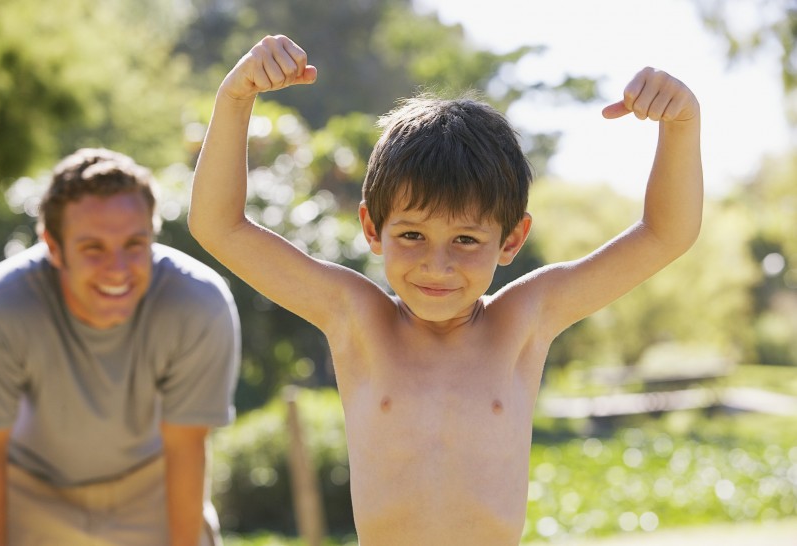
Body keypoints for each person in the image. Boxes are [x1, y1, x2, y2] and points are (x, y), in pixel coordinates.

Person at [188, 35, 702, 545]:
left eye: (465, 239)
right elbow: (218, 226)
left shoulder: (524, 320)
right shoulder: (356, 318)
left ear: (512, 239)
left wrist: (681, 126)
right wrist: (236, 98)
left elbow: (664, 234)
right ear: (372, 229)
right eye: (412, 235)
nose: (438, 265)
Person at [0, 148, 240, 546]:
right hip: (30, 488)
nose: (118, 269)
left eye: (135, 244)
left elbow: (186, 449)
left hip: (151, 484)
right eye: (93, 248)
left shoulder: (197, 303)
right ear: (53, 245)